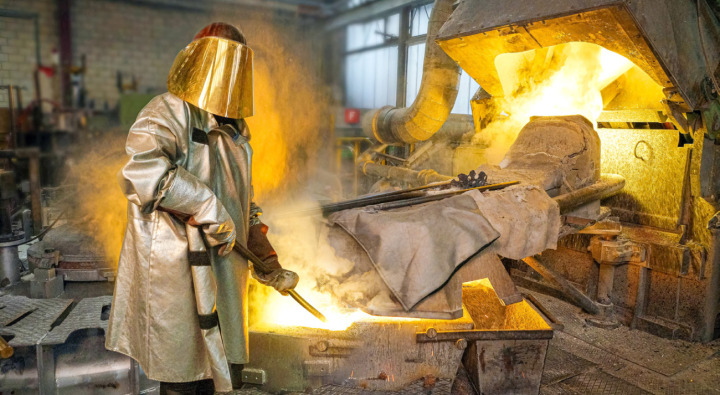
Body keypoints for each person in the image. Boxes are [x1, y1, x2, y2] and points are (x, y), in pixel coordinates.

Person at [105, 22, 299, 394]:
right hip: (174, 271)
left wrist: (267, 261)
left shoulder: (237, 129)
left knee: (220, 368)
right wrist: (206, 204)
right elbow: (143, 174)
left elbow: (242, 203)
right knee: (182, 370)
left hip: (222, 270)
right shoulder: (166, 112)